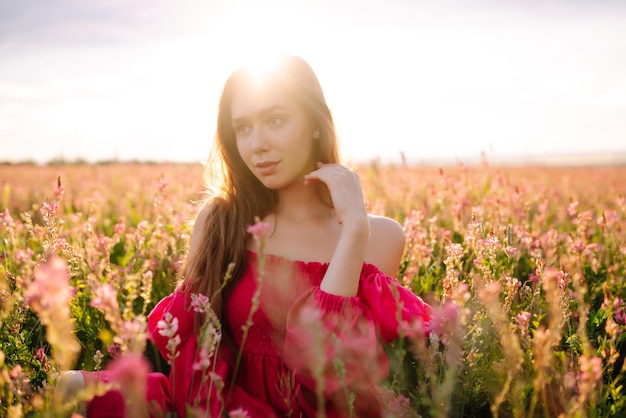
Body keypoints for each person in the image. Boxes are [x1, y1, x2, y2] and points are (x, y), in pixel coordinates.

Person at [68, 53, 431, 417]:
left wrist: (354, 230)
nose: (257, 144)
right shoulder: (223, 220)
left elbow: (331, 373)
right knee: (69, 388)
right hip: (216, 407)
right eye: (242, 127)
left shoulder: (378, 236)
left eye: (275, 120)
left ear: (316, 124)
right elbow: (186, 347)